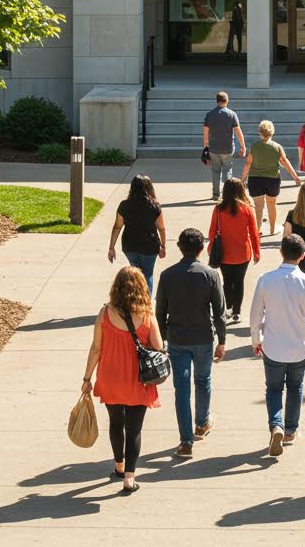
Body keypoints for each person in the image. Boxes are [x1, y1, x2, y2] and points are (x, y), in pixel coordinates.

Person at [82, 266, 162, 494]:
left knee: (116, 423)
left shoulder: (104, 314)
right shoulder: (147, 315)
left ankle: (118, 465)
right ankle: (129, 478)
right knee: (134, 428)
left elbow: (96, 348)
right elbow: (159, 347)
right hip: (137, 380)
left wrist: (87, 378)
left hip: (110, 377)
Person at [249, 234, 305, 455]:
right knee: (295, 387)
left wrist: (256, 340)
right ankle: (290, 429)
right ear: (302, 256)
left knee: (273, 388)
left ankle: (276, 425)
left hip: (272, 347)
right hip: (300, 349)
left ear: (281, 252)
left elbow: (255, 316)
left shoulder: (265, 280)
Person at [155, 228, 227, 457]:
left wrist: (162, 338)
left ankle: (186, 441)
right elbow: (219, 312)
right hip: (203, 338)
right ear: (202, 248)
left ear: (180, 248)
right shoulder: (211, 275)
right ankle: (202, 422)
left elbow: (160, 312)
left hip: (177, 339)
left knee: (181, 390)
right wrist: (222, 340)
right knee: (203, 380)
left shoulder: (167, 275)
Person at [209, 178, 261, 323]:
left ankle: (229, 308)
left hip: (224, 253)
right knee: (239, 282)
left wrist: (210, 248)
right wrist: (257, 251)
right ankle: (237, 312)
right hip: (243, 253)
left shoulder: (218, 209)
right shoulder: (247, 209)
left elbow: (212, 232)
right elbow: (254, 232)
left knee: (227, 281)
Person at [107, 175, 166, 296]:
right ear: (150, 188)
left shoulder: (124, 205)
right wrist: (163, 246)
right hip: (150, 246)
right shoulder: (154, 206)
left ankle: (135, 301)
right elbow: (161, 228)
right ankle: (146, 303)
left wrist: (111, 248)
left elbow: (117, 227)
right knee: (147, 274)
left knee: (135, 274)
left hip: (130, 245)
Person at [242, 119, 302, 236]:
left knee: (258, 206)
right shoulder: (277, 147)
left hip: (255, 179)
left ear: (260, 133)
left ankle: (257, 230)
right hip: (272, 180)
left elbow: (248, 163)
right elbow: (285, 162)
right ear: (272, 133)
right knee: (272, 204)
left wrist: (242, 180)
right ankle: (272, 229)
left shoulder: (254, 146)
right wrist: (295, 177)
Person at [203, 91, 246, 201]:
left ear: (217, 101)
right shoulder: (232, 114)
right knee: (227, 170)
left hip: (213, 148)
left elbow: (206, 132)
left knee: (215, 171)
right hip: (227, 148)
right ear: (227, 101)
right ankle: (228, 195)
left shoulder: (209, 115)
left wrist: (205, 147)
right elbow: (238, 131)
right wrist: (243, 146)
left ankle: (215, 194)